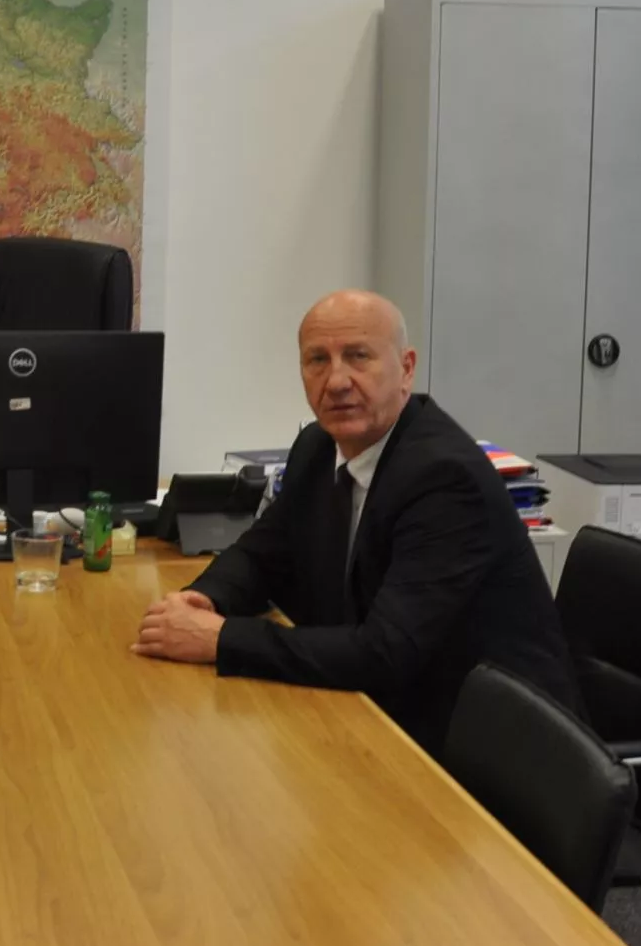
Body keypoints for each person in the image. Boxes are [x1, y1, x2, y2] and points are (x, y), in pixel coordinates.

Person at [133, 290, 579, 755]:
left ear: (406, 368)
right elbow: (262, 553)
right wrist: (203, 599)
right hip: (383, 713)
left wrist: (221, 639)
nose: (337, 381)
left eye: (358, 356)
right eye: (317, 360)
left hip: (491, 750)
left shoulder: (445, 479)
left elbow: (385, 652)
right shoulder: (318, 446)